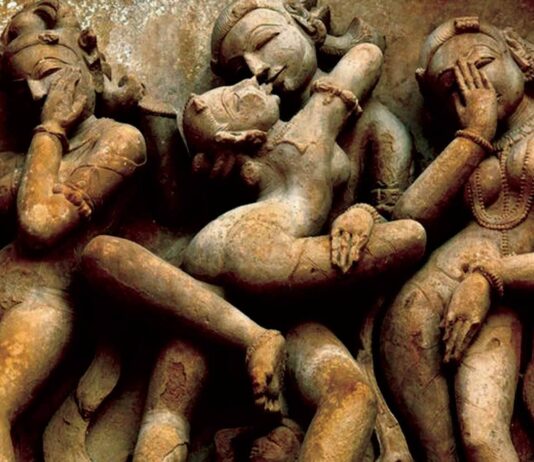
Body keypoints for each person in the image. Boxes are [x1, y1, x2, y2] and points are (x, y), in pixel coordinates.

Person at [82, 41, 426, 461]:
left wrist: (362, 212)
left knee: (169, 414)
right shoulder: (308, 129)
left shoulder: (286, 150)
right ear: (241, 137)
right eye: (236, 96)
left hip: (248, 301)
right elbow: (367, 56)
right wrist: (369, 214)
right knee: (409, 240)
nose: (252, 78)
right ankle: (256, 339)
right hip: (262, 255)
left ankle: (254, 337)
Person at [380, 16, 534, 462]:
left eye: (483, 63)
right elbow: (409, 218)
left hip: (496, 291)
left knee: (483, 439)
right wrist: (476, 133)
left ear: (520, 59)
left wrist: (490, 276)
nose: (473, 85)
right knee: (457, 448)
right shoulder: (474, 146)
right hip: (432, 317)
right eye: (452, 85)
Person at [0, 2, 147, 460]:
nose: (37, 93)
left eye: (49, 75)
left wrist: (51, 129)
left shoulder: (117, 139)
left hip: (46, 302)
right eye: (21, 88)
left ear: (87, 61)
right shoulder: (19, 153)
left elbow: (39, 224)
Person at [205, 0, 413, 217]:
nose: (256, 69)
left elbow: (395, 221)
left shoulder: (377, 127)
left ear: (304, 25)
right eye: (240, 70)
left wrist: (363, 217)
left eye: (263, 42)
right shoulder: (258, 147)